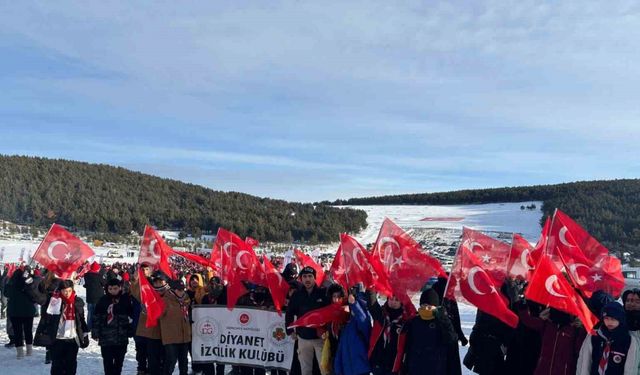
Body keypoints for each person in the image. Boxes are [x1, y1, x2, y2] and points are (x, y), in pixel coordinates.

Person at [38, 279, 90, 375]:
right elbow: (38, 298)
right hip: (57, 339)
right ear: (60, 290)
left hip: (72, 339)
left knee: (71, 366)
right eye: (64, 291)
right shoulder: (54, 300)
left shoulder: (77, 302)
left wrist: (85, 335)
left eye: (69, 291)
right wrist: (30, 283)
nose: (67, 293)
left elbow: (81, 321)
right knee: (57, 366)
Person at [286, 266, 329, 375]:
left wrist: (327, 330)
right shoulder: (297, 295)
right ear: (301, 279)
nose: (307, 279)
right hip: (303, 338)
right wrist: (290, 331)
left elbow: (330, 313)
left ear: (314, 278)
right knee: (305, 370)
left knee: (325, 369)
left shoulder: (323, 294)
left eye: (310, 276)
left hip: (320, 339)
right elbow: (289, 313)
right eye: (304, 276)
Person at [402, 288, 457, 375]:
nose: (426, 309)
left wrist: (444, 320)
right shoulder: (414, 321)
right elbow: (408, 346)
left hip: (436, 368)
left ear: (435, 307)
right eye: (424, 306)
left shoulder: (442, 321)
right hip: (416, 367)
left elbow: (451, 341)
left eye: (429, 307)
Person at [518, 306, 586, 375]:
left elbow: (579, 350)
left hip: (563, 371)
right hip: (543, 369)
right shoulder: (547, 324)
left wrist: (583, 328)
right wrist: (522, 304)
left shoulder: (574, 331)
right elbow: (528, 320)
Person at [577, 302, 640, 374]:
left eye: (613, 319)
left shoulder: (629, 340)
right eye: (606, 318)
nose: (609, 322)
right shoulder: (593, 336)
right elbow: (585, 363)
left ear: (621, 319)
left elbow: (630, 369)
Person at [92, 277, 134, 375]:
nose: (112, 291)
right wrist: (95, 332)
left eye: (115, 288)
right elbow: (96, 317)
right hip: (106, 338)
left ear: (120, 288)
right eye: (110, 289)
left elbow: (132, 316)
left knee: (119, 363)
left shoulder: (125, 299)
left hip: (121, 337)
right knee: (107, 363)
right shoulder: (102, 300)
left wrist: (130, 330)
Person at [131, 269, 169, 375]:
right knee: (153, 361)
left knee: (165, 361)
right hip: (151, 334)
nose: (158, 284)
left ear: (165, 282)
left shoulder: (170, 295)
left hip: (166, 333)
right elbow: (135, 291)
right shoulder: (147, 294)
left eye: (160, 282)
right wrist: (135, 279)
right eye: (156, 282)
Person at [5, 266, 44, 359]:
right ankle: (29, 350)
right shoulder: (28, 284)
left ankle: (20, 353)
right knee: (28, 330)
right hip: (28, 311)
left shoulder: (10, 284)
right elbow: (34, 295)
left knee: (17, 332)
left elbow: (5, 294)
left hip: (14, 311)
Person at [368, 294, 409, 375]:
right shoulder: (381, 314)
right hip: (378, 363)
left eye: (397, 300)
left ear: (401, 302)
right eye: (391, 299)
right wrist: (371, 285)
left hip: (393, 366)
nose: (393, 302)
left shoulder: (405, 321)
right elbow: (372, 302)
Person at [333, 289, 372, 375]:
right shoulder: (347, 325)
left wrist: (354, 304)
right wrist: (338, 369)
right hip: (347, 371)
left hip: (362, 370)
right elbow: (340, 350)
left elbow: (363, 320)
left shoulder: (365, 321)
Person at [160, 279, 192, 375]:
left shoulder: (186, 299)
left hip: (184, 337)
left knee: (184, 362)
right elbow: (158, 315)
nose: (181, 291)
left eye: (182, 289)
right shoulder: (165, 300)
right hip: (171, 337)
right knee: (171, 362)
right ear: (173, 290)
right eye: (179, 289)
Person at [83, 261, 105, 330]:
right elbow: (104, 283)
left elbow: (86, 285)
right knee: (97, 313)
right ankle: (96, 326)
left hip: (90, 297)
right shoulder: (99, 276)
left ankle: (89, 326)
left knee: (90, 312)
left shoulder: (86, 275)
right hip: (98, 297)